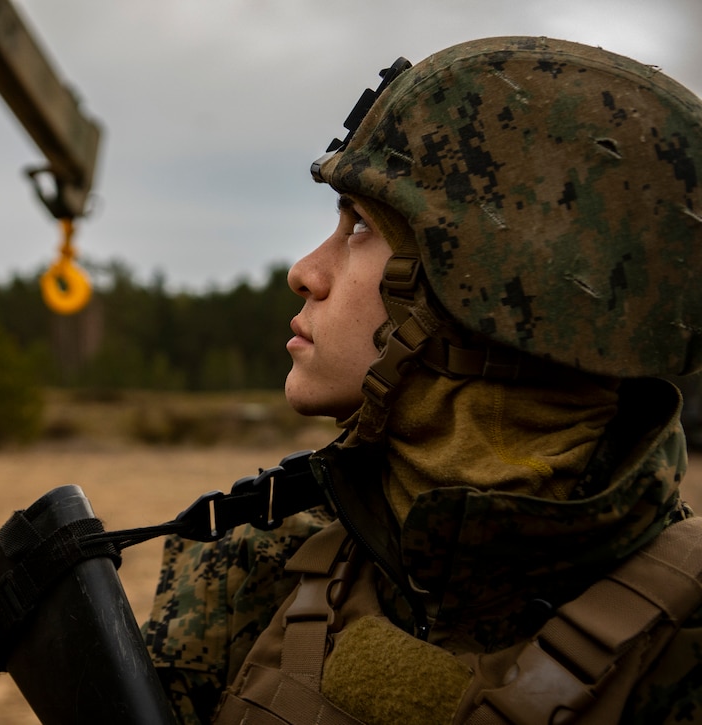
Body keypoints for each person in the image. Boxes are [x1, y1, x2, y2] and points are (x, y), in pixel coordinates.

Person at [142, 36, 702, 724]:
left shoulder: (684, 647)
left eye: (358, 228)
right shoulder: (255, 565)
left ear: (489, 296)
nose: (306, 273)